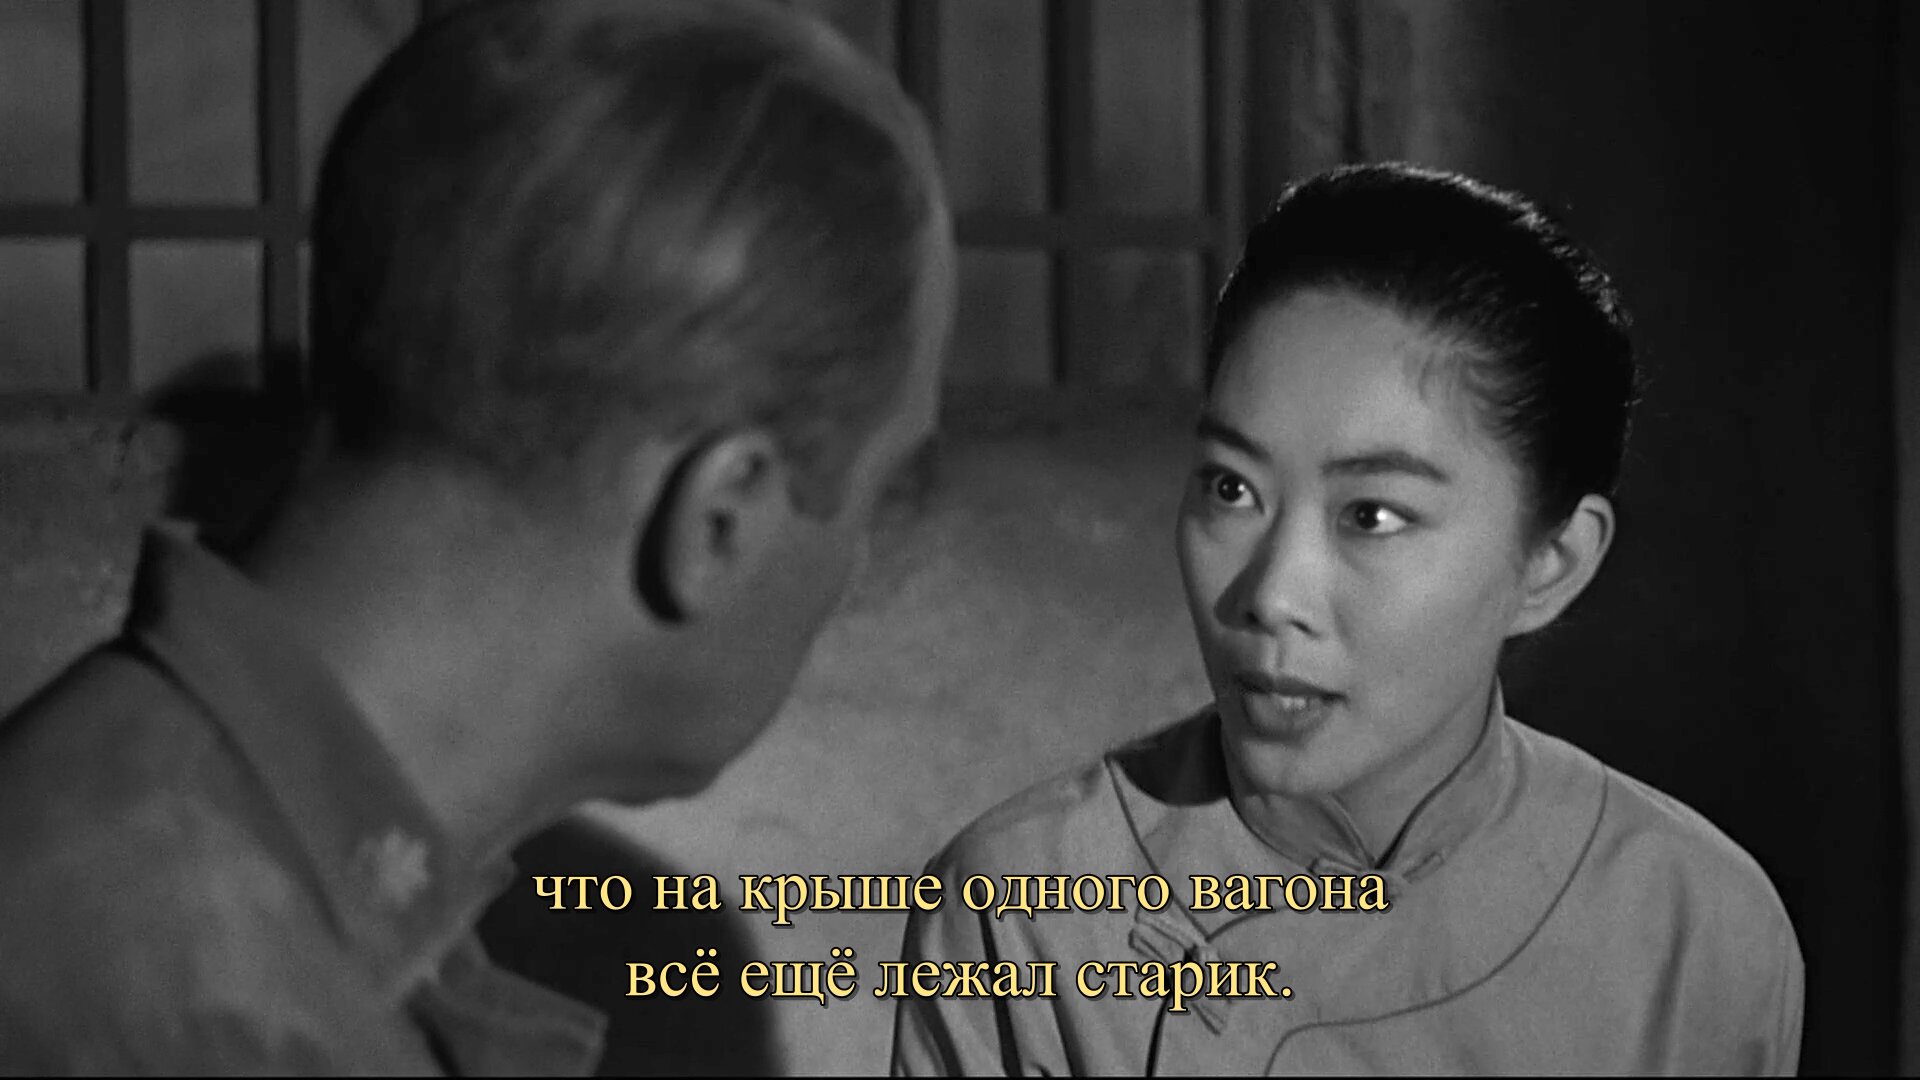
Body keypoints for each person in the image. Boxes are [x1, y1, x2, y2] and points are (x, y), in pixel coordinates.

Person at [0, 0, 953, 1072]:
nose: (853, 570)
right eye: (882, 495)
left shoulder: (208, 883)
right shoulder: (209, 1006)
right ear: (719, 521)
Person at [890, 163, 1802, 1075]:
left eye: (1372, 515)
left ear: (1550, 563)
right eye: (1231, 489)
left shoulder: (1693, 925)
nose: (1271, 594)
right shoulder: (1020, 909)